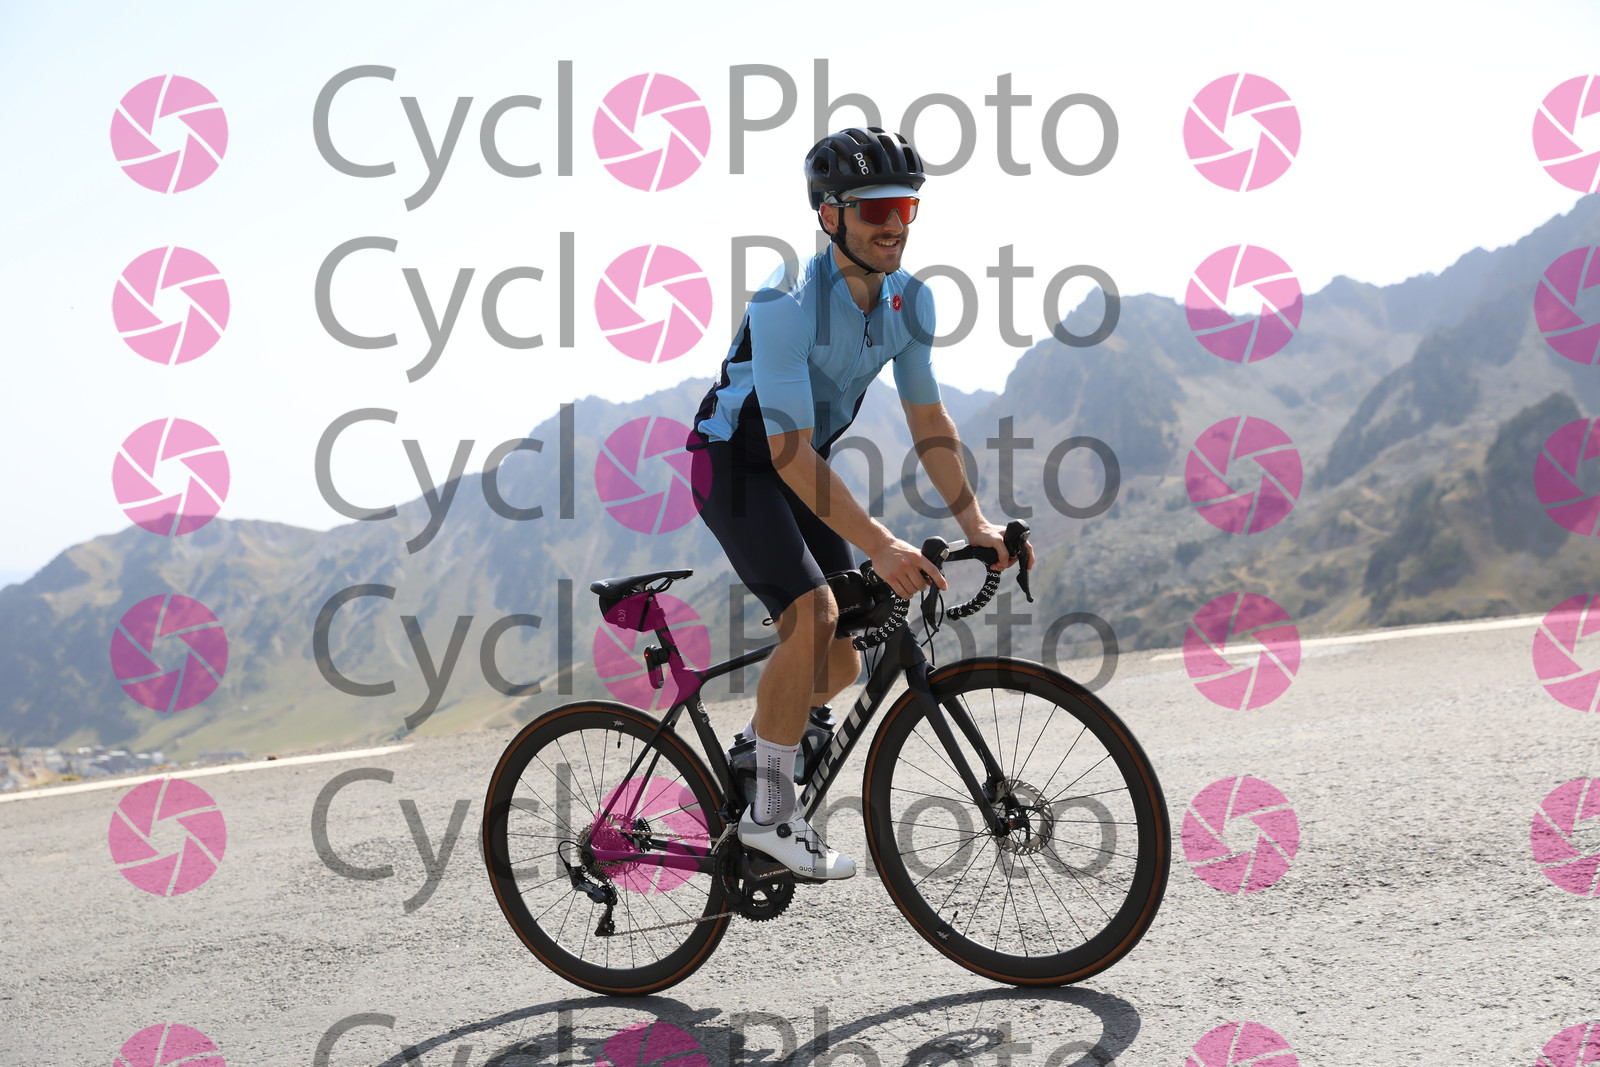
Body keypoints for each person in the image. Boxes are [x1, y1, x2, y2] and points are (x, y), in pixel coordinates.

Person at [688, 127, 1028, 880]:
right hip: (735, 464)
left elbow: (929, 421)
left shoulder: (911, 302)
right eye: (876, 209)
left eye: (906, 207)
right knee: (813, 615)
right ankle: (770, 816)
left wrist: (974, 522)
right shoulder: (785, 301)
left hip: (801, 468)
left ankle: (758, 751)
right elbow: (785, 451)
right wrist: (880, 543)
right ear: (830, 215)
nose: (894, 224)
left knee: (840, 658)